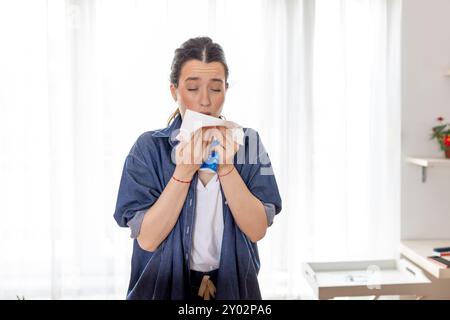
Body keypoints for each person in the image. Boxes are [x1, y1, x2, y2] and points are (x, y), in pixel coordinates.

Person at [113, 36, 282, 300]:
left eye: (216, 89)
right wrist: (183, 172)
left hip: (233, 291)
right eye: (192, 88)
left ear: (226, 90)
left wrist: (226, 167)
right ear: (174, 91)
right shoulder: (147, 148)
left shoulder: (249, 144)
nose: (205, 101)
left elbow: (257, 229)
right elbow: (147, 240)